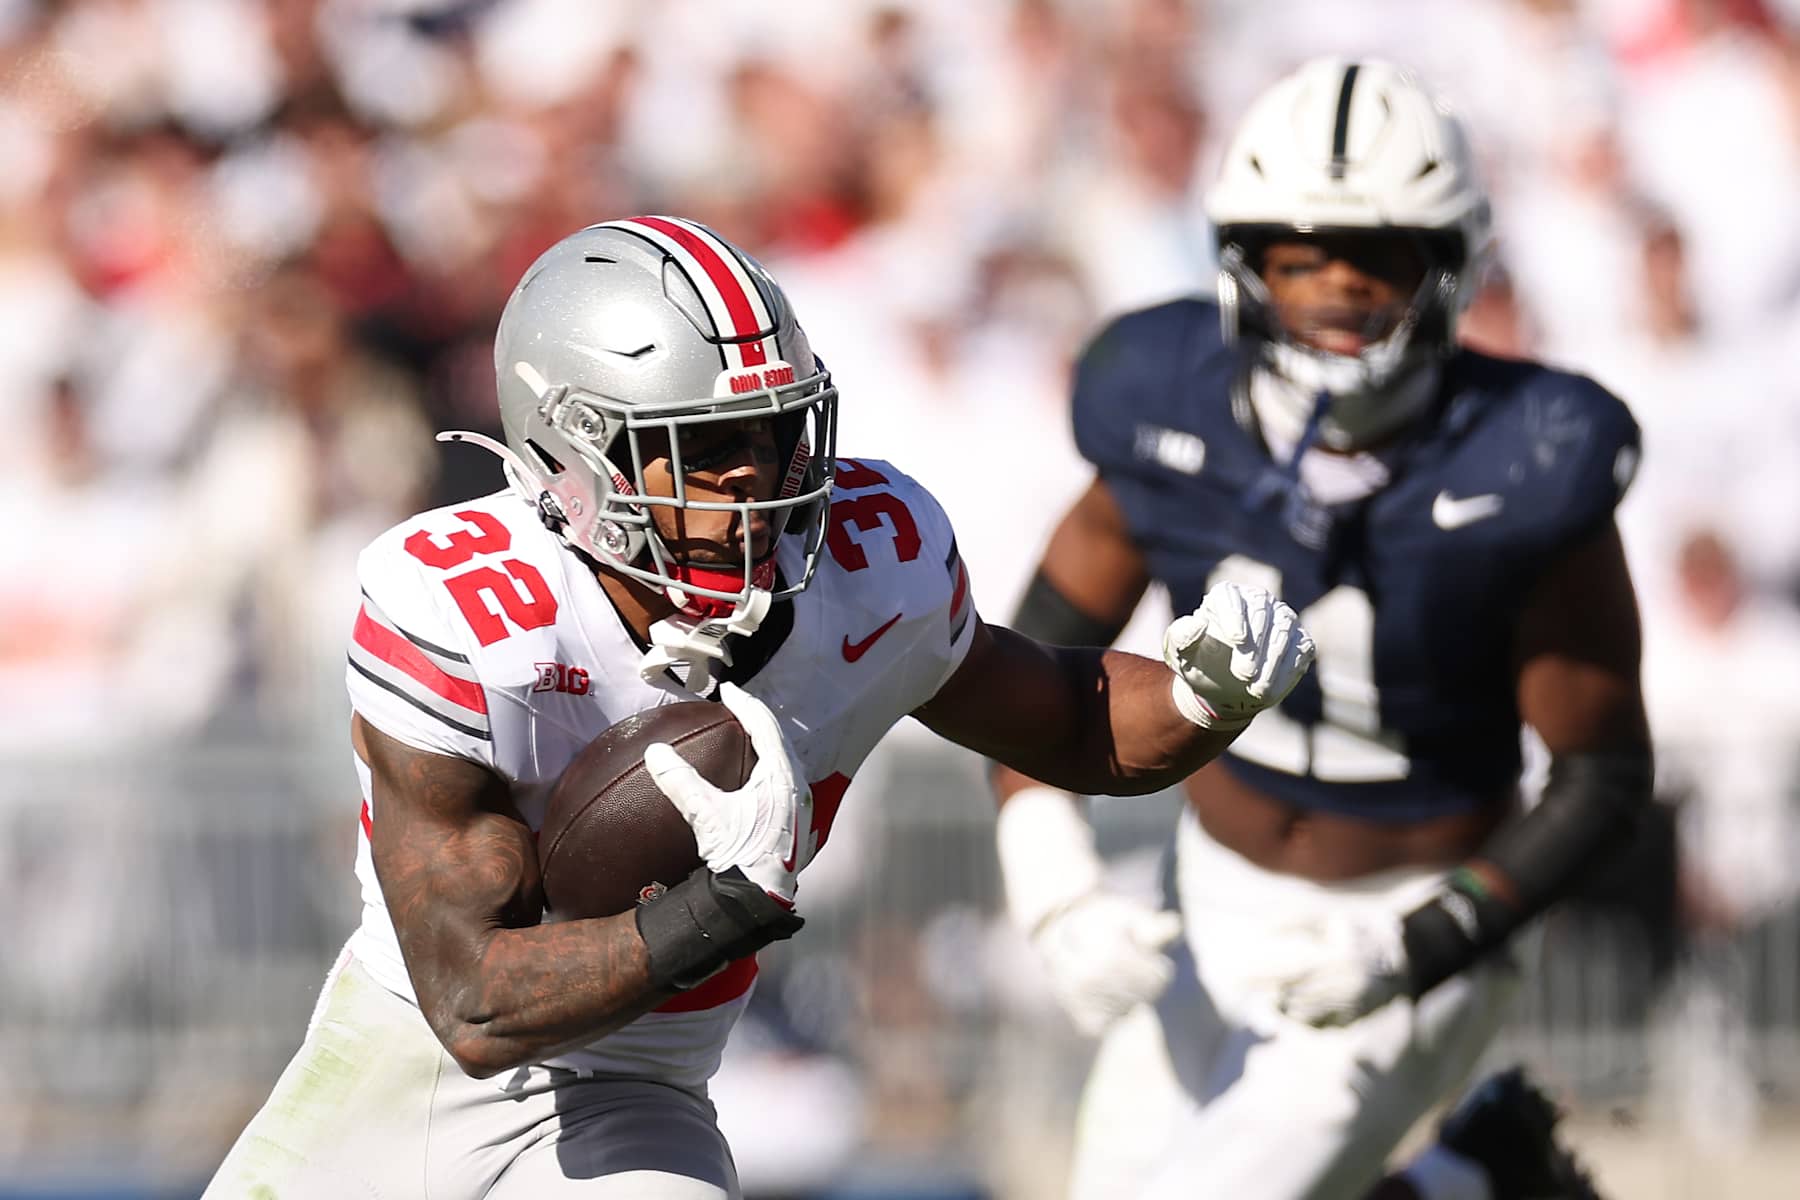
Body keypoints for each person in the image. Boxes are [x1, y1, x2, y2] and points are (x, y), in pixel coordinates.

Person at [200, 214, 1315, 1200]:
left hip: (636, 1090)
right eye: (705, 447)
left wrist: (1201, 694)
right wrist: (723, 905)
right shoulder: (468, 610)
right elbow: (472, 1003)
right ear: (570, 458)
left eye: (774, 432)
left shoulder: (869, 562)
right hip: (401, 1079)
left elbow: (1072, 721)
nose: (757, 478)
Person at [990, 58, 1648, 1200]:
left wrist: (1427, 944)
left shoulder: (1530, 458)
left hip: (1407, 908)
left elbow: (1599, 774)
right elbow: (1029, 668)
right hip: (1208, 900)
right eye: (1301, 257)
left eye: (1378, 256)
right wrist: (1050, 875)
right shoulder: (1163, 399)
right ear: (1243, 263)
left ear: (1449, 265)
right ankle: (1472, 1180)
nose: (1338, 287)